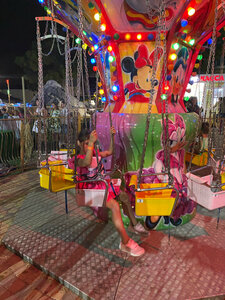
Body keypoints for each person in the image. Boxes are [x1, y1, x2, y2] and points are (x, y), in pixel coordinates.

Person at [68, 127, 147, 256]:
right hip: (86, 192)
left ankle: (134, 224)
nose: (90, 146)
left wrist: (112, 137)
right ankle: (125, 242)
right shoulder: (77, 159)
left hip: (101, 186)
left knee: (124, 196)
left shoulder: (96, 154)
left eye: (91, 143)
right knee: (114, 206)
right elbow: (86, 162)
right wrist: (92, 143)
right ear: (79, 143)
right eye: (87, 143)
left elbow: (109, 151)